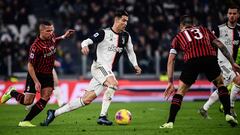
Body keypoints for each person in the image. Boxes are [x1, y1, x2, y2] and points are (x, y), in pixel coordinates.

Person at [40, 9, 142, 126]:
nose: (125, 23)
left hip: (106, 71)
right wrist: (84, 46)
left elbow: (131, 51)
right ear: (116, 20)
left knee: (86, 100)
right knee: (113, 84)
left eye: (127, 21)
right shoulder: (104, 33)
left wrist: (135, 65)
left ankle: (54, 113)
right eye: (123, 20)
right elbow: (87, 41)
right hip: (99, 66)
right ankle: (102, 116)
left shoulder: (126, 36)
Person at [160, 15, 239, 129]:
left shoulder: (178, 36)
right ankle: (227, 114)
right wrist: (232, 63)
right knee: (221, 85)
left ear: (181, 26)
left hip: (192, 59)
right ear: (193, 24)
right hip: (209, 57)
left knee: (180, 92)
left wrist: (170, 82)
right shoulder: (204, 30)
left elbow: (171, 60)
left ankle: (170, 122)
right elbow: (220, 44)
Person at [0, 20, 75, 127]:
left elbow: (54, 41)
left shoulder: (52, 36)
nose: (51, 33)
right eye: (48, 31)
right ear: (41, 31)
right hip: (36, 74)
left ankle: (25, 121)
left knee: (46, 97)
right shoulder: (36, 47)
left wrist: (63, 36)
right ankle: (12, 93)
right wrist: (36, 81)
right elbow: (30, 66)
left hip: (48, 74)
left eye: (52, 30)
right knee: (28, 102)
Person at [199, 5, 240, 119]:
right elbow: (208, 41)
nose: (231, 16)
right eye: (230, 13)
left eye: (234, 13)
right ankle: (230, 108)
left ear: (238, 15)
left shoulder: (239, 30)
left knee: (224, 87)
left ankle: (205, 108)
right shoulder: (219, 29)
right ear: (227, 15)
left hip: (233, 63)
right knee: (236, 81)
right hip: (222, 63)